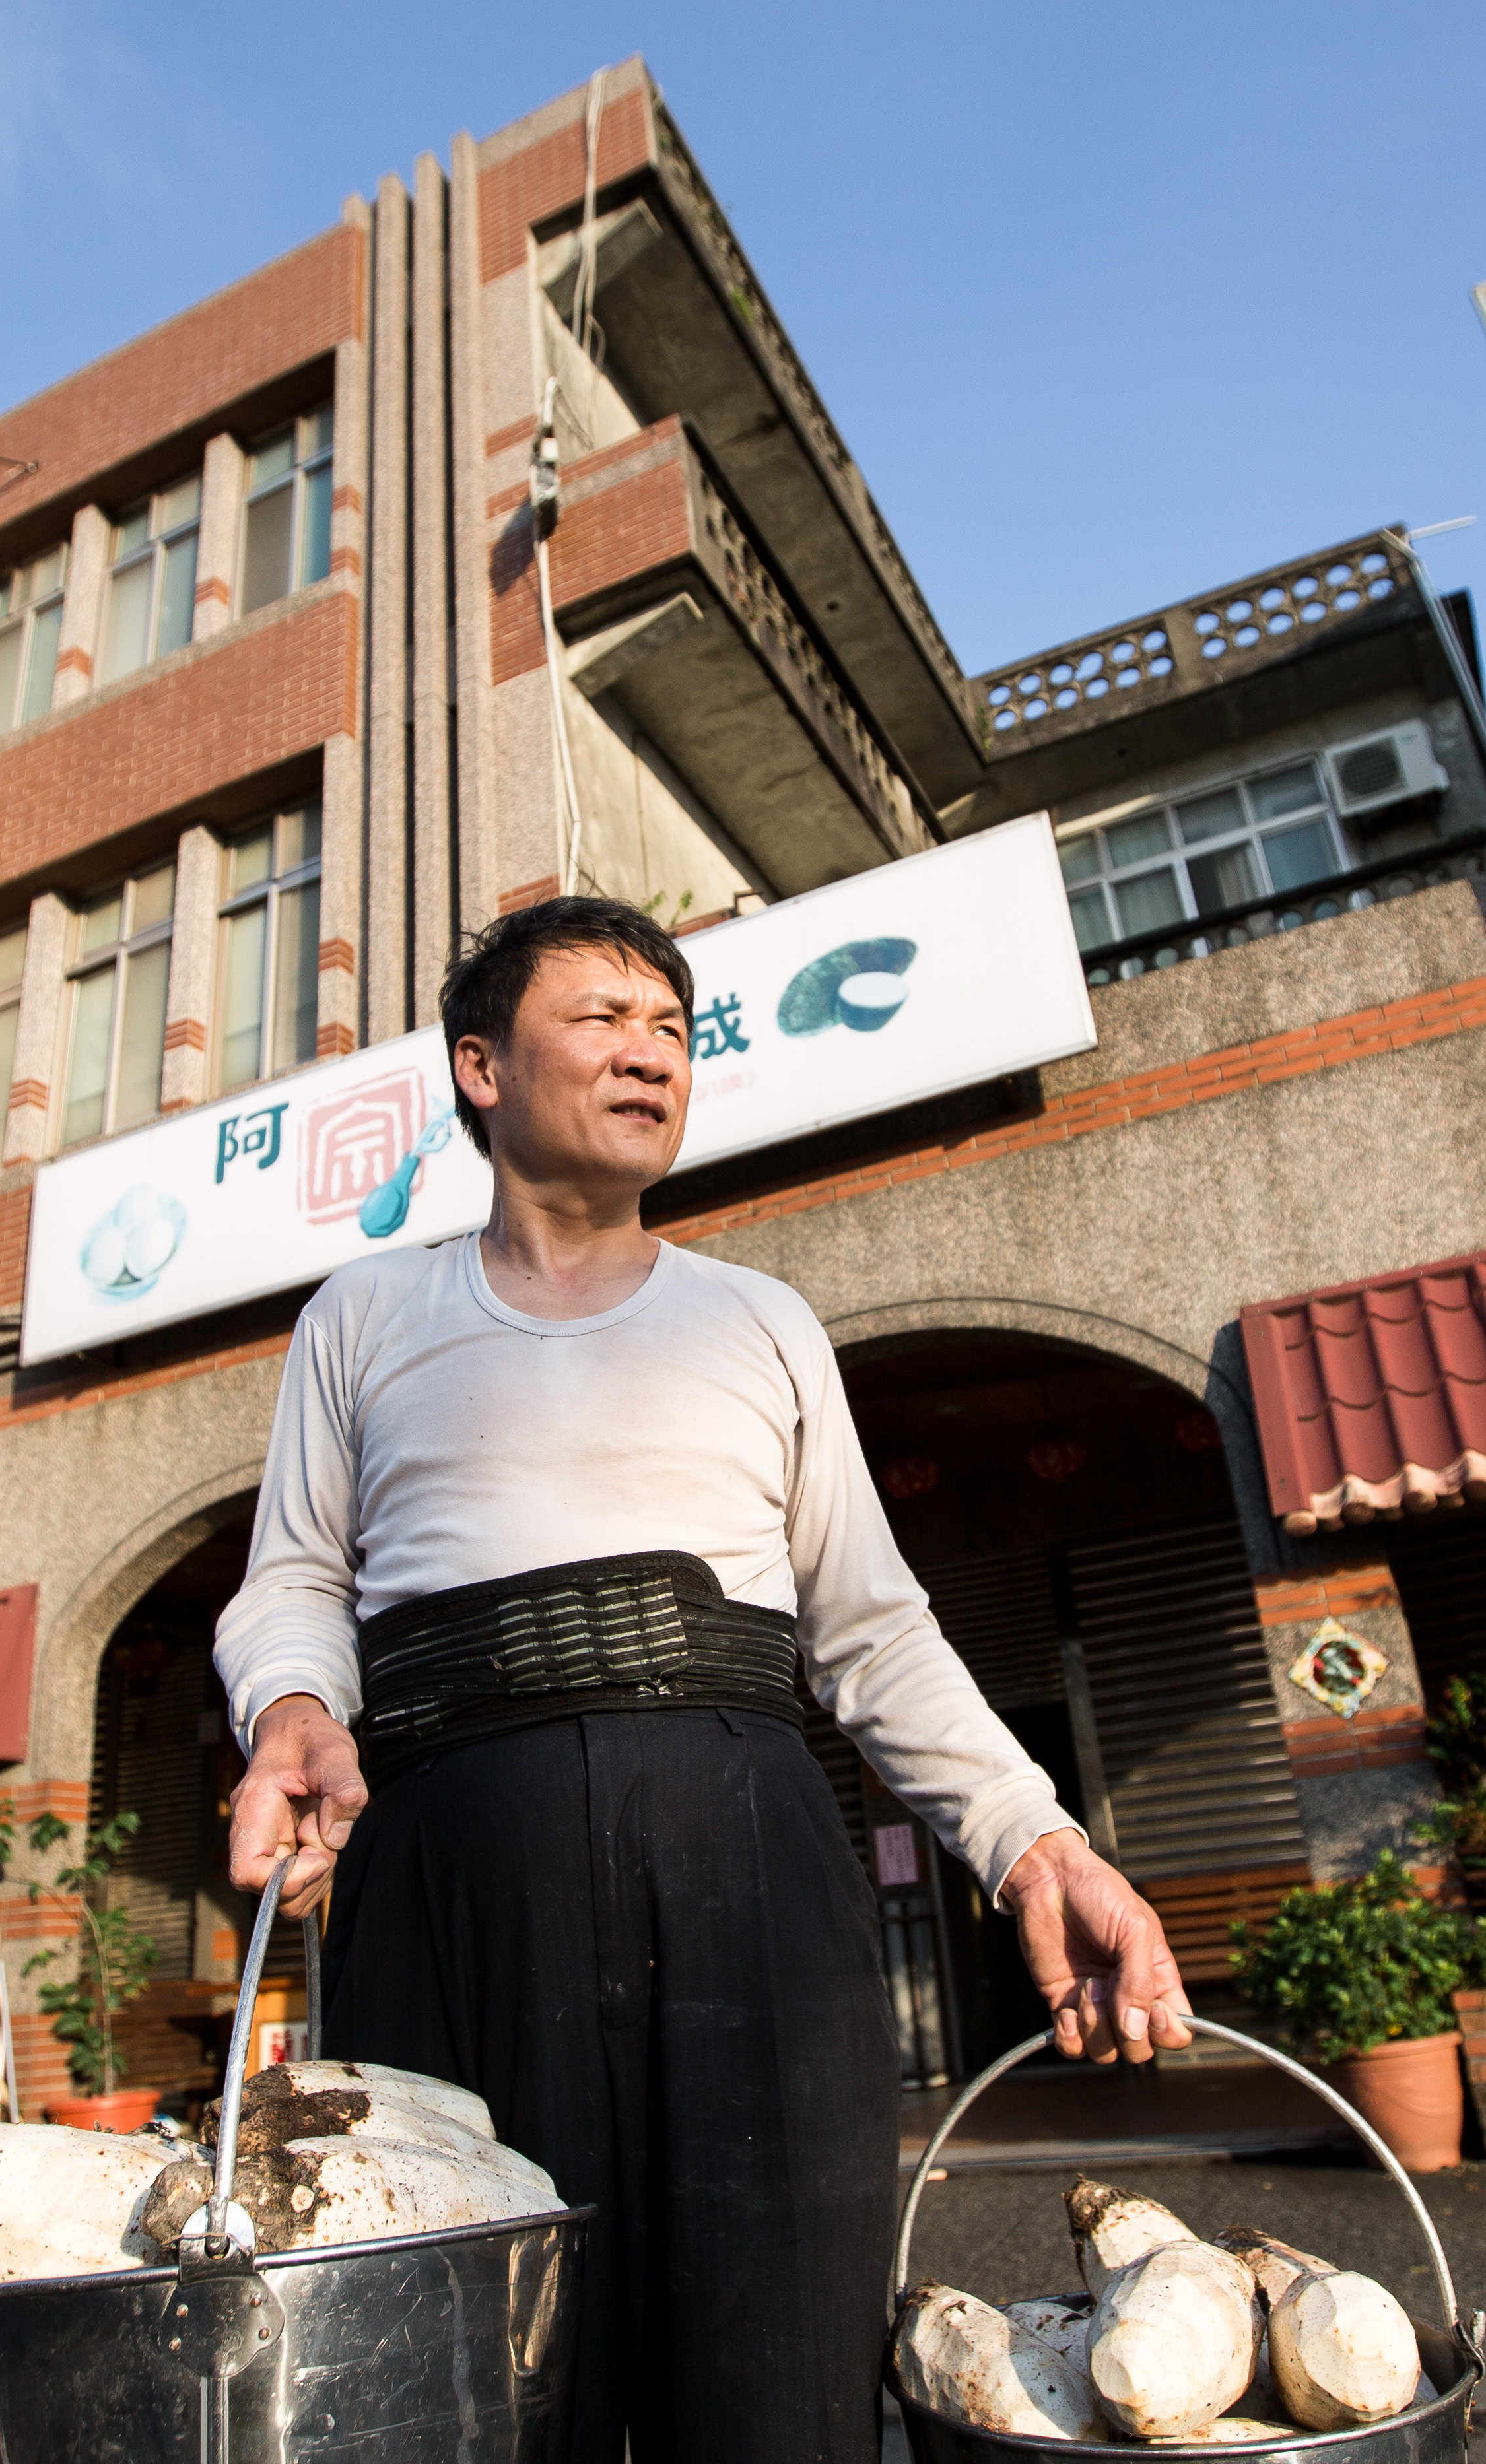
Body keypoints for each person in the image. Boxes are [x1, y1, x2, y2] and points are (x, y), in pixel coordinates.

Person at [217, 895, 1192, 2463]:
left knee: (776, 2385)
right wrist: (294, 1713)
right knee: (466, 2390)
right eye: (602, 1019)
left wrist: (1039, 1845)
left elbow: (871, 1632)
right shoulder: (365, 1317)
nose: (650, 1053)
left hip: (744, 1862)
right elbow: (293, 1580)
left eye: (671, 1028)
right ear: (481, 1066)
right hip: (450, 1876)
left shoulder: (759, 1320)